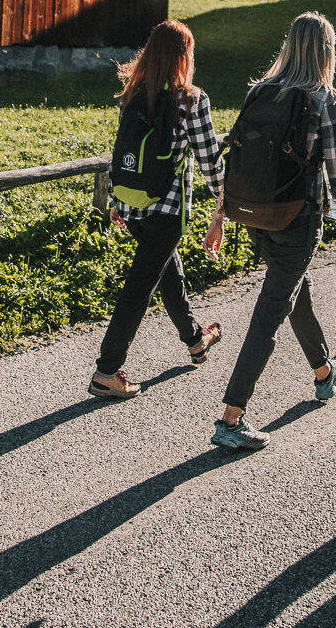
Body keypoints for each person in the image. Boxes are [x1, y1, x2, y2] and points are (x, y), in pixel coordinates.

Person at [204, 12, 336, 450]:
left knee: (292, 288)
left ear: (289, 47)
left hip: (255, 216)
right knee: (269, 314)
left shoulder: (259, 91)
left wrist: (221, 216)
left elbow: (238, 161)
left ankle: (324, 371)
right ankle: (231, 418)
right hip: (297, 221)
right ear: (326, 51)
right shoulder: (326, 99)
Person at [89, 20, 225, 399]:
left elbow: (124, 151)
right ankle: (107, 370)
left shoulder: (134, 92)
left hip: (133, 207)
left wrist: (117, 201)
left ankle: (196, 339)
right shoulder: (192, 100)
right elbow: (210, 161)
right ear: (184, 57)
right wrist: (223, 207)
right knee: (139, 288)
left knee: (166, 271)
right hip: (167, 213)